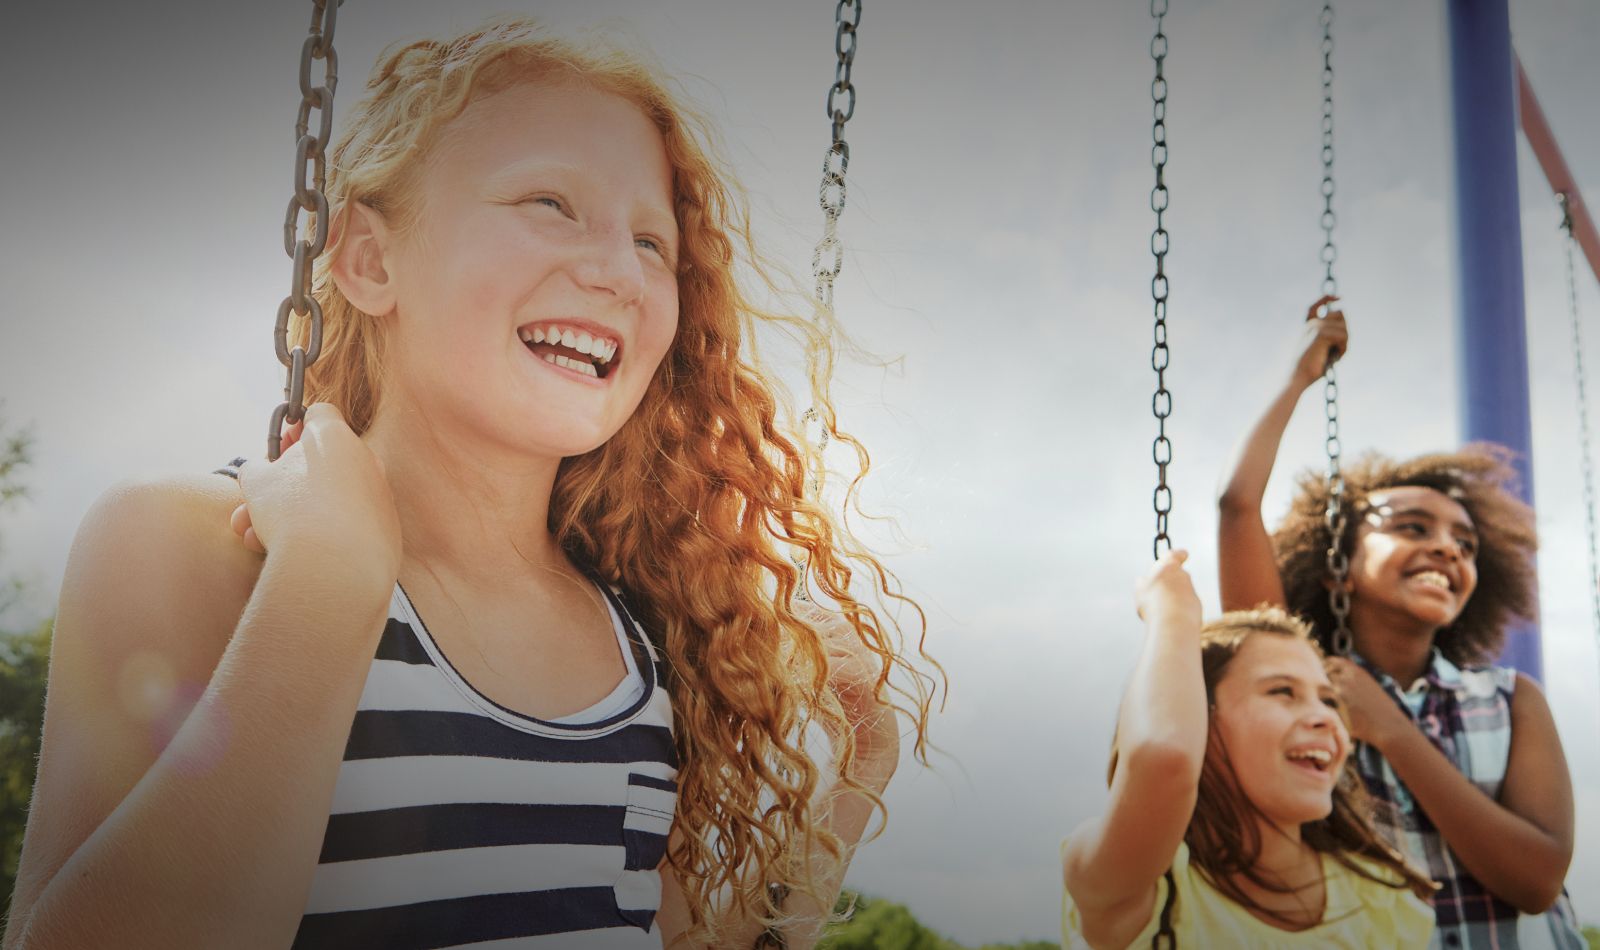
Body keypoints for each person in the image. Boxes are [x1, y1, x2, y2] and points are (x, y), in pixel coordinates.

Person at [2, 17, 936, 949]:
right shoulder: (196, 545)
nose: (620, 271)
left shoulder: (637, 647)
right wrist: (327, 582)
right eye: (550, 203)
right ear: (370, 260)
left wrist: (855, 772)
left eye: (653, 244)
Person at [1215, 295, 1584, 948]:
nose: (1447, 548)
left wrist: (1391, 731)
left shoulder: (1509, 700)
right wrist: (1298, 378)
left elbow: (1536, 881)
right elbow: (1237, 508)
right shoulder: (1304, 687)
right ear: (1337, 565)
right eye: (1412, 528)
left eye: (1465, 544)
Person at [1061, 551, 1435, 949]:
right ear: (1199, 721)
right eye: (1282, 691)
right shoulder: (1143, 885)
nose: (1325, 717)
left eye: (1328, 700)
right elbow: (1164, 757)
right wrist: (1172, 612)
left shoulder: (1380, 898)